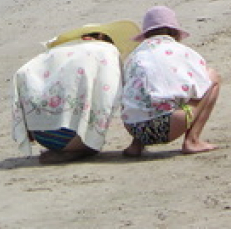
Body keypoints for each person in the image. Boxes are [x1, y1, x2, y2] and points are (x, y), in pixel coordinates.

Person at [12, 20, 141, 164]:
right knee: (92, 145)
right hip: (71, 136)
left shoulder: (56, 52)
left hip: (39, 133)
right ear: (100, 37)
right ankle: (73, 151)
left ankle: (63, 145)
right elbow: (112, 93)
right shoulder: (106, 51)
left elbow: (23, 73)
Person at [121, 6, 222, 157]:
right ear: (174, 32)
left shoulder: (134, 56)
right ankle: (192, 140)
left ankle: (136, 145)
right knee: (213, 78)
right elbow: (199, 84)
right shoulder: (181, 51)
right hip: (169, 126)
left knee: (139, 93)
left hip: (133, 126)